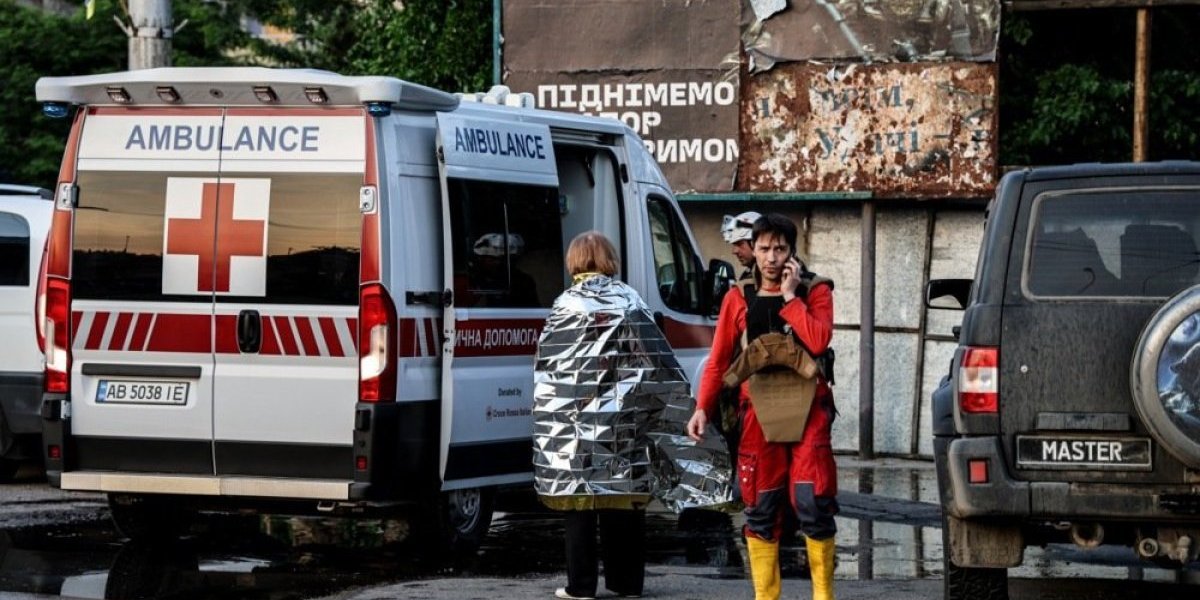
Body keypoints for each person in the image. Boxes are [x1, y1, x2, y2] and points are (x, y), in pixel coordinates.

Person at [534, 231, 731, 600]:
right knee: (623, 497)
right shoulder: (629, 301)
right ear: (610, 260)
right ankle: (626, 583)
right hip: (623, 423)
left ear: (574, 261)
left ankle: (580, 586)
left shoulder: (564, 305)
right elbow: (657, 360)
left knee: (579, 500)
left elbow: (548, 373)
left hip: (575, 426)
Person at [687, 213, 838, 600]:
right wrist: (702, 407)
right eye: (765, 248)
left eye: (780, 249)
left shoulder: (815, 291)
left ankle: (823, 595)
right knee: (761, 506)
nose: (771, 258)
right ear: (752, 250)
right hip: (756, 414)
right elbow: (719, 358)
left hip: (809, 412)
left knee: (813, 502)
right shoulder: (737, 297)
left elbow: (818, 341)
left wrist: (790, 298)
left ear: (792, 252)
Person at [721, 210, 762, 281]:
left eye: (739, 244)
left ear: (756, 243)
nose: (734, 251)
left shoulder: (769, 278)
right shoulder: (751, 273)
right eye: (734, 244)